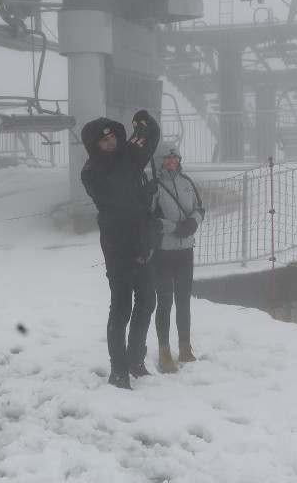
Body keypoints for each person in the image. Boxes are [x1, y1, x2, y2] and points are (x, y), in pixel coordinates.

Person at [80, 110, 161, 390]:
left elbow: (148, 147)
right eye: (106, 140)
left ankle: (136, 359)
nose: (112, 142)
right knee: (121, 308)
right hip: (118, 246)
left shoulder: (128, 156)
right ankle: (119, 370)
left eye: (114, 136)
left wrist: (148, 127)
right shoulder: (91, 172)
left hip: (143, 240)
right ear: (95, 145)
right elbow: (115, 194)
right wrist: (129, 154)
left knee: (148, 302)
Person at [151, 143, 205, 373]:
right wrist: (174, 228)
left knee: (184, 300)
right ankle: (164, 351)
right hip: (163, 252)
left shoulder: (187, 182)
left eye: (175, 157)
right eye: (167, 158)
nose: (171, 161)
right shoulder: (154, 186)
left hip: (185, 251)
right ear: (159, 160)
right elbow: (148, 219)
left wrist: (192, 223)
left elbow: (200, 209)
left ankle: (185, 346)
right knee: (164, 301)